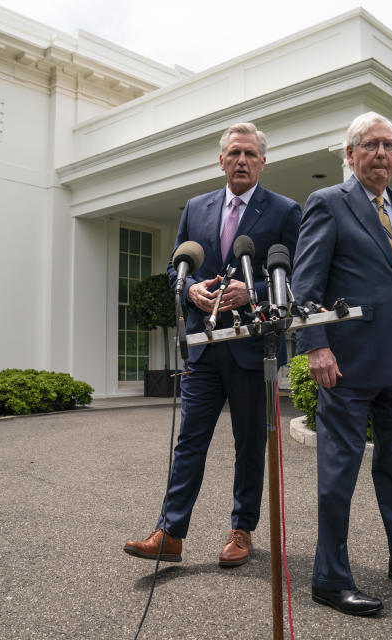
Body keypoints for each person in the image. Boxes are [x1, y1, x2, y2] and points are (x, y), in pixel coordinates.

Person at [123, 123, 301, 568]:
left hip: (251, 348)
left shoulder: (283, 210)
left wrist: (253, 289)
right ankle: (170, 533)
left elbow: (297, 271)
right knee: (190, 441)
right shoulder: (196, 208)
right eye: (234, 153)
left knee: (248, 442)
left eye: (250, 154)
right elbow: (174, 268)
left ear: (263, 162)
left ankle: (242, 529)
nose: (242, 161)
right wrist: (189, 291)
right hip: (203, 346)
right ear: (221, 161)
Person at [291, 112, 392, 616]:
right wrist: (315, 345)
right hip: (346, 365)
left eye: (390, 146)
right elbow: (305, 287)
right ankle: (330, 578)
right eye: (371, 145)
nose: (382, 154)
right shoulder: (328, 203)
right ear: (350, 154)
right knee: (339, 473)